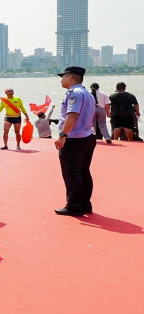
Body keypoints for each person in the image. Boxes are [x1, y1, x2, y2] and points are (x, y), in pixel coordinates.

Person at [54, 66, 96, 216]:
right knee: (83, 171)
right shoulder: (87, 93)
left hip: (74, 138)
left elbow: (72, 115)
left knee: (71, 172)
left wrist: (62, 134)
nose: (61, 80)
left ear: (70, 77)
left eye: (63, 77)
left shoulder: (75, 93)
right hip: (87, 136)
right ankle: (85, 204)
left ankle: (74, 206)